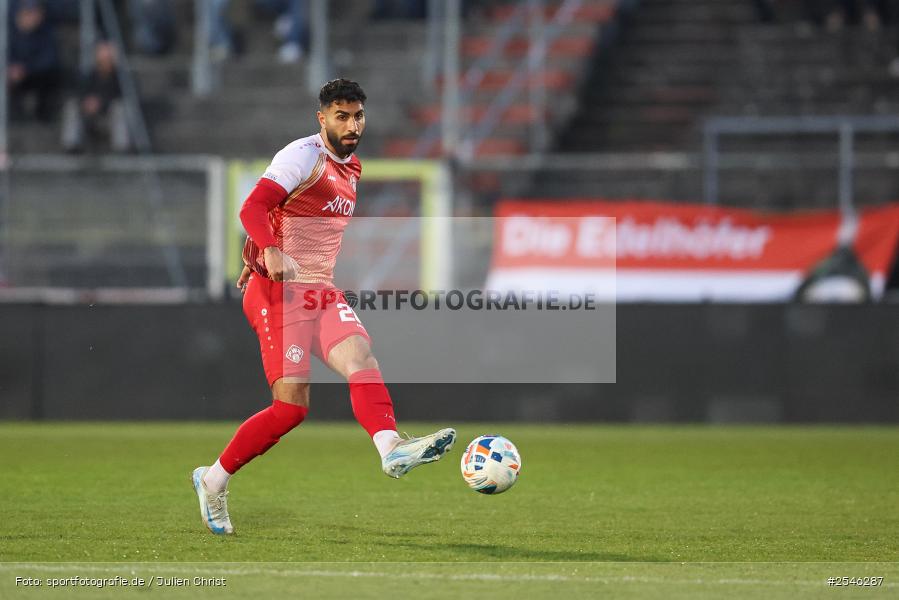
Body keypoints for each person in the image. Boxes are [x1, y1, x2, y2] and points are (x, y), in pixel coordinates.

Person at [191, 78, 456, 536]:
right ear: (322, 118)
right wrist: (267, 251)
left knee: (360, 357)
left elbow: (290, 222)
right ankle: (212, 480)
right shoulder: (302, 156)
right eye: (342, 116)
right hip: (278, 293)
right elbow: (254, 208)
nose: (352, 125)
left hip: (319, 290)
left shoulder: (352, 167)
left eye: (358, 116)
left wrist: (256, 250)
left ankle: (391, 448)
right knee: (291, 409)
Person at [61, 41, 130, 153]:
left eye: (108, 58)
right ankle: (71, 145)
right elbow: (79, 93)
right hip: (88, 117)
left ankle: (121, 148)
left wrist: (101, 103)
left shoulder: (123, 80)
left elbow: (124, 96)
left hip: (109, 119)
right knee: (72, 105)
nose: (105, 61)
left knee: (120, 108)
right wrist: (86, 102)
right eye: (103, 58)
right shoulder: (88, 76)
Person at [8, 0, 61, 122]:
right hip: (11, 74)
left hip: (34, 75)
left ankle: (43, 118)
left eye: (35, 13)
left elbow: (49, 59)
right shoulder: (7, 31)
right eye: (28, 13)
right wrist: (10, 68)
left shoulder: (46, 32)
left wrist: (25, 70)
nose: (32, 17)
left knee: (50, 76)